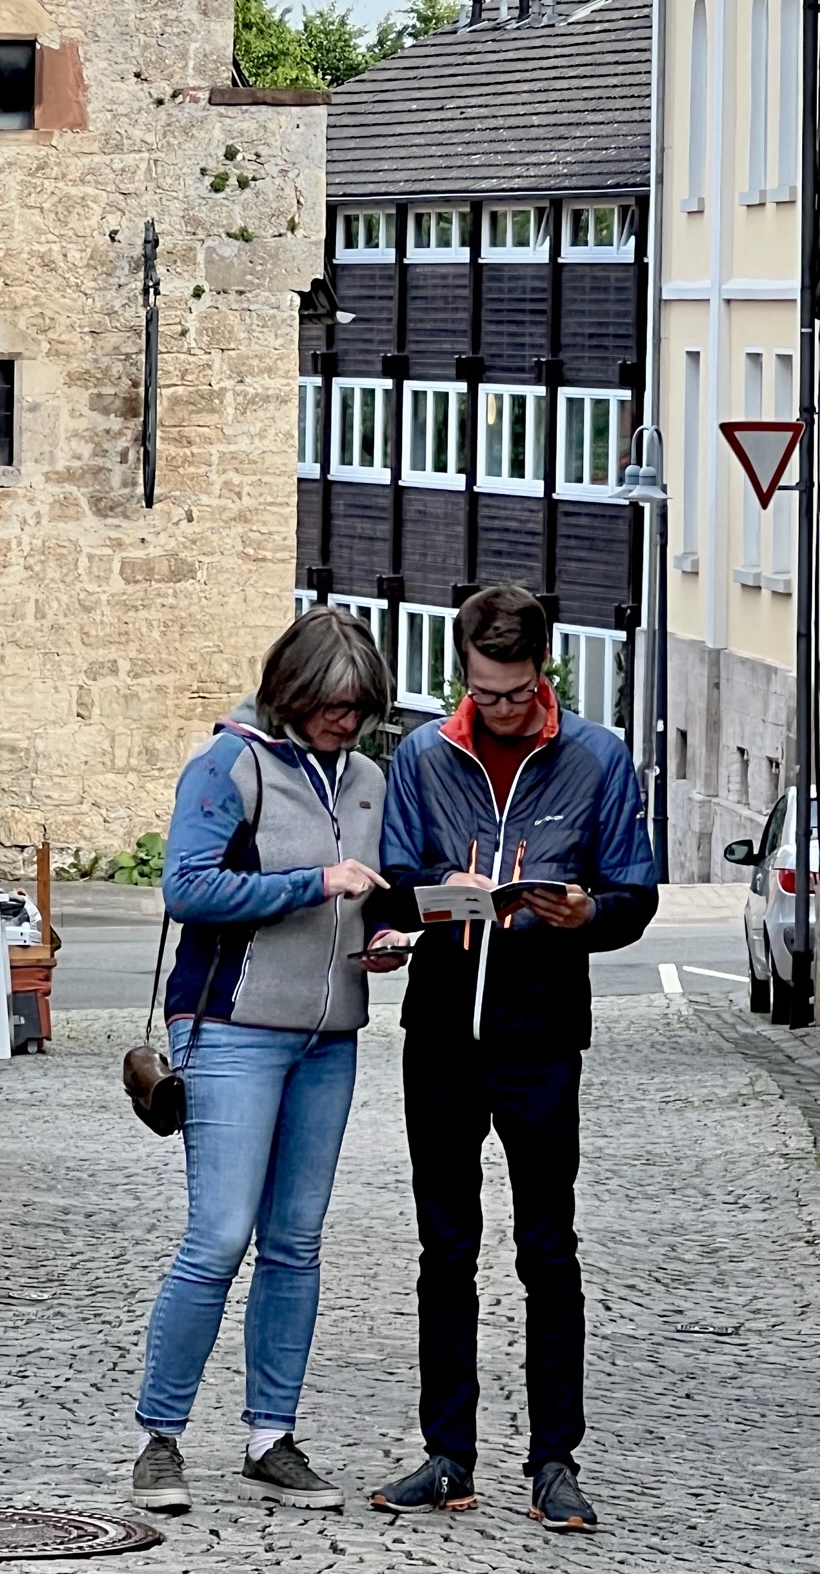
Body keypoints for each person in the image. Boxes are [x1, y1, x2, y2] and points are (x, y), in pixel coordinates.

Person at [365, 584, 658, 1534]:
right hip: (441, 1035)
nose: (499, 708)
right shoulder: (421, 755)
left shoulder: (597, 756)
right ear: (463, 675)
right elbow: (391, 890)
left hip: (540, 1037)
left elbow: (635, 892)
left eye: (516, 691)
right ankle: (448, 1455)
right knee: (445, 1251)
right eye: (484, 693)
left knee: (548, 1252)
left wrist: (587, 915)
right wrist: (433, 894)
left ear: (545, 672)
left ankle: (554, 1461)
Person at [132, 607, 403, 1517]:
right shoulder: (229, 766)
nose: (347, 723)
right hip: (233, 1029)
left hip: (330, 1038)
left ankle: (269, 1437)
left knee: (296, 1244)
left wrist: (386, 934)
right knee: (217, 1238)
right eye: (333, 706)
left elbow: (376, 887)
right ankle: (159, 1439)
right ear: (290, 693)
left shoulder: (366, 777)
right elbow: (188, 886)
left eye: (361, 708)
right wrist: (316, 884)